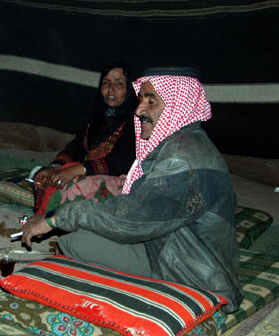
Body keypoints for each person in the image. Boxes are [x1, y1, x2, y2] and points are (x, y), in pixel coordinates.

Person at [22, 67, 243, 313]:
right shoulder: (186, 142)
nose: (139, 110)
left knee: (75, 239)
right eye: (141, 100)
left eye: (151, 101)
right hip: (172, 245)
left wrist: (57, 218)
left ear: (176, 106)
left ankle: (156, 298)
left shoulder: (181, 158)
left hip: (195, 274)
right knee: (87, 222)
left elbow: (130, 221)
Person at [32, 63, 137, 215]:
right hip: (88, 170)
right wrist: (55, 167)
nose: (111, 88)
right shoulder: (98, 116)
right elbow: (78, 146)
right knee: (43, 176)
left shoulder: (136, 121)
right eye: (106, 82)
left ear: (129, 90)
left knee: (74, 185)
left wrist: (76, 170)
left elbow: (121, 162)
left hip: (120, 179)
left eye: (119, 83)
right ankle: (42, 217)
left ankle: (51, 220)